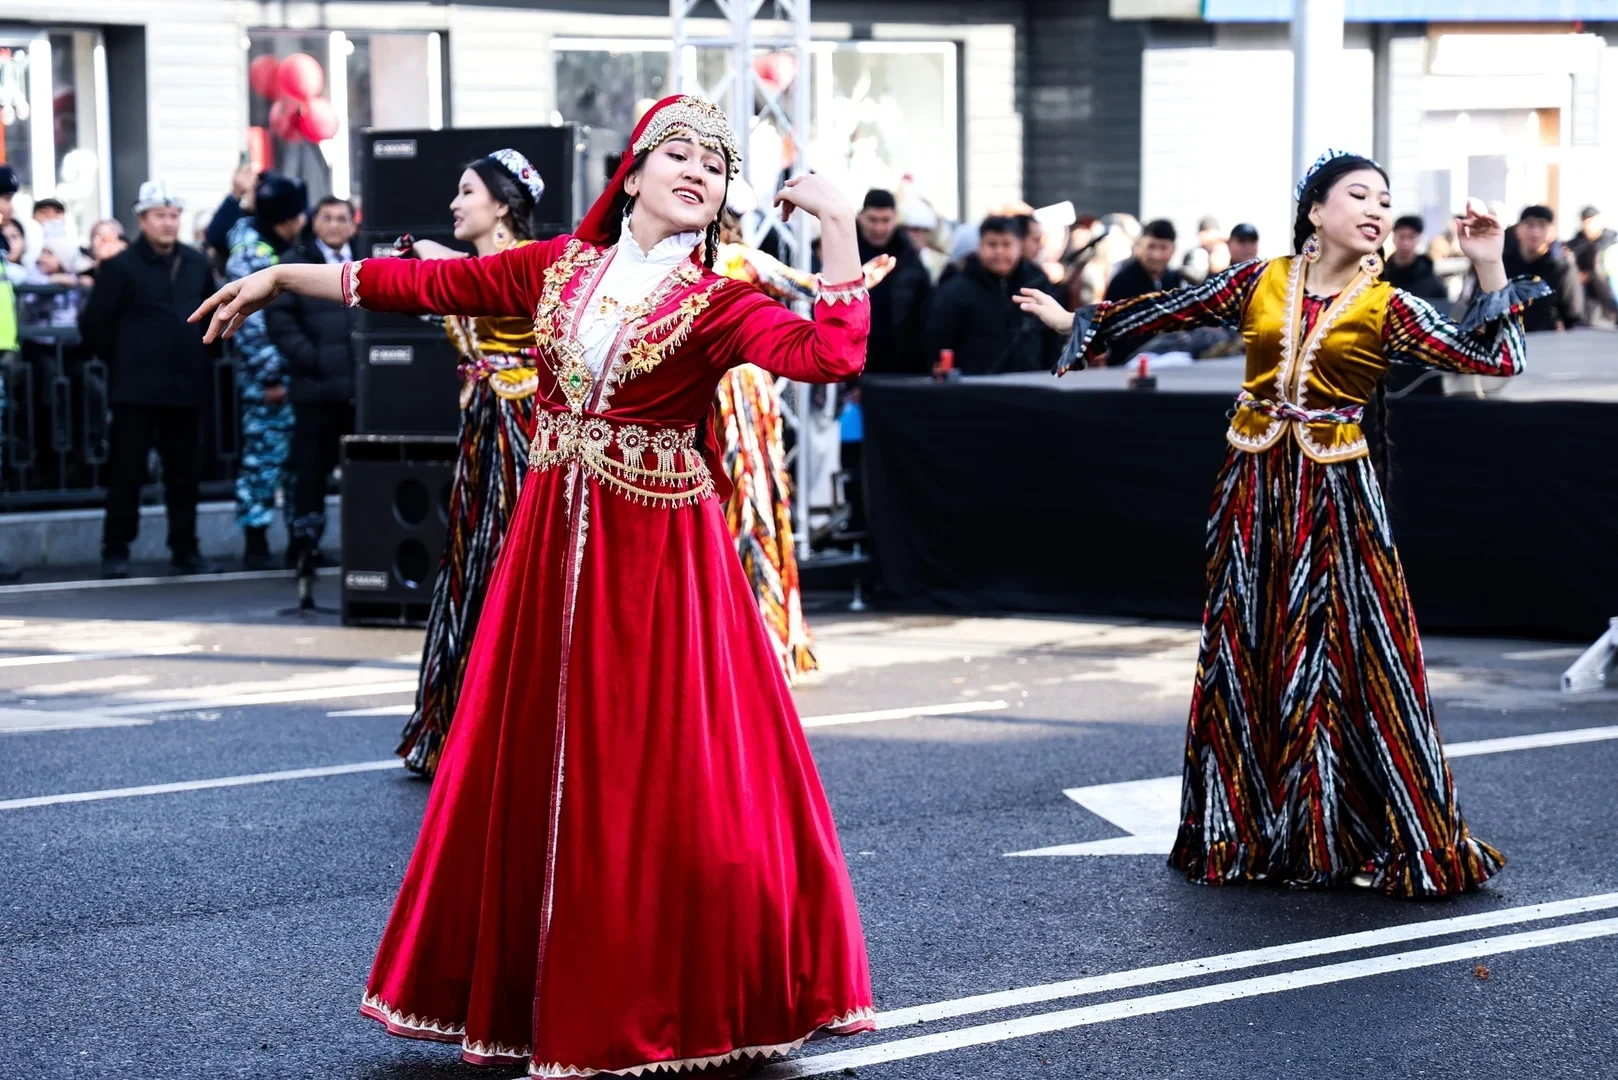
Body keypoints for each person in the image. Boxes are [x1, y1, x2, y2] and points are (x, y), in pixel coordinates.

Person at [195, 93, 874, 1076]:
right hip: (550, 545)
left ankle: (654, 994)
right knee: (532, 764)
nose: (698, 171)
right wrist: (277, 277)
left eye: (716, 165)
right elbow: (413, 282)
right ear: (631, 174)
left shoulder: (719, 302)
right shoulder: (555, 267)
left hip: (659, 562)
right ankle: (528, 994)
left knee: (651, 775)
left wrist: (839, 226)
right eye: (678, 153)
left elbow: (831, 354)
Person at [1016, 150, 1548, 898]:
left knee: (1347, 654)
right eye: (1359, 195)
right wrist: (1080, 321)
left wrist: (1490, 262)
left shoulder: (1390, 305)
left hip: (1337, 496)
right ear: (1316, 211)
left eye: (1384, 200)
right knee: (1246, 646)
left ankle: (1341, 830)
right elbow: (1175, 308)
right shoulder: (1261, 280)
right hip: (1252, 486)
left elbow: (1497, 360)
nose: (1376, 209)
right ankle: (1250, 831)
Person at [385, 151, 546, 776]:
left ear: (502, 205)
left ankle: (522, 729)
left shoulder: (530, 265)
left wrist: (428, 253)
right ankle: (461, 726)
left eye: (467, 191)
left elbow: (472, 274)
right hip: (482, 430)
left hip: (525, 434)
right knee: (469, 567)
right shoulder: (467, 269)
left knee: (514, 563)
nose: (455, 203)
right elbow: (438, 275)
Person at [79, 181, 216, 579]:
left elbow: (211, 314)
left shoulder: (195, 263)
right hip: (135, 389)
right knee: (126, 472)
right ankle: (116, 549)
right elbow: (94, 324)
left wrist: (198, 356)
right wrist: (126, 358)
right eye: (160, 215)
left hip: (185, 387)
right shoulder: (120, 266)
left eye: (174, 215)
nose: (168, 223)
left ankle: (186, 549)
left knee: (184, 475)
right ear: (142, 219)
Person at [264, 195, 359, 571]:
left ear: (353, 223)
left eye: (342, 218)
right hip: (315, 391)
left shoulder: (369, 259)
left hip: (363, 392)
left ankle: (366, 547)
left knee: (365, 473)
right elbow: (279, 321)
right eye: (327, 217)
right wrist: (313, 357)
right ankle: (304, 548)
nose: (335, 225)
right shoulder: (294, 263)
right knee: (310, 474)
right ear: (314, 222)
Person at [226, 172, 307, 568]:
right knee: (263, 460)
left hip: (296, 374)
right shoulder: (252, 253)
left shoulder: (278, 246)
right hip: (269, 379)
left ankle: (298, 540)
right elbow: (249, 323)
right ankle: (255, 543)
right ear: (287, 219)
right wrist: (271, 376)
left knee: (296, 462)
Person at [925, 214, 1062, 374]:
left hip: (1032, 382)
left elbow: (1052, 338)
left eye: (1006, 244)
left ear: (1019, 246)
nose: (999, 251)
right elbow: (938, 342)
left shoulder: (1037, 285)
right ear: (980, 246)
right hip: (975, 384)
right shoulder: (955, 291)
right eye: (992, 244)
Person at [856, 188, 931, 374]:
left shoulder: (909, 257)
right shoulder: (846, 251)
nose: (879, 228)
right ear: (861, 217)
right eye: (873, 220)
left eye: (885, 220)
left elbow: (924, 315)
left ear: (895, 219)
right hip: (854, 361)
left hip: (901, 367)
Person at [1103, 217, 1181, 364]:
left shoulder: (1174, 279)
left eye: (1163, 248)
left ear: (1173, 250)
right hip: (1126, 362)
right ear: (1140, 246)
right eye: (1151, 246)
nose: (1156, 255)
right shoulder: (1122, 280)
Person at [1502, 204, 1581, 333]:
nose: (1535, 231)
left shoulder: (1560, 269)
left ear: (1552, 233)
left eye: (1542, 225)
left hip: (1545, 340)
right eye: (1530, 225)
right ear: (1517, 230)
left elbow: (1573, 315)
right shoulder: (1502, 265)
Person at [1566, 204, 1618, 326]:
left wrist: (1590, 275)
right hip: (1582, 305)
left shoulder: (1612, 243)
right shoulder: (1575, 245)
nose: (1588, 225)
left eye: (1591, 221)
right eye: (1585, 221)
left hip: (1608, 305)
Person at [1380, 214, 1449, 303]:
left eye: (1411, 237)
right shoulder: (1382, 277)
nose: (1406, 243)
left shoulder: (1433, 284)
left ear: (1419, 239)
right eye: (1402, 236)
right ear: (1394, 237)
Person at [900, 196, 949, 283]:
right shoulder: (896, 258)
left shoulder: (939, 261)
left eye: (917, 229)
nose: (913, 235)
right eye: (907, 229)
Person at [1180, 215, 1229, 285]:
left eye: (1207, 231)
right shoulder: (1194, 253)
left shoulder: (1226, 248)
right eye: (1201, 231)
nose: (1202, 235)